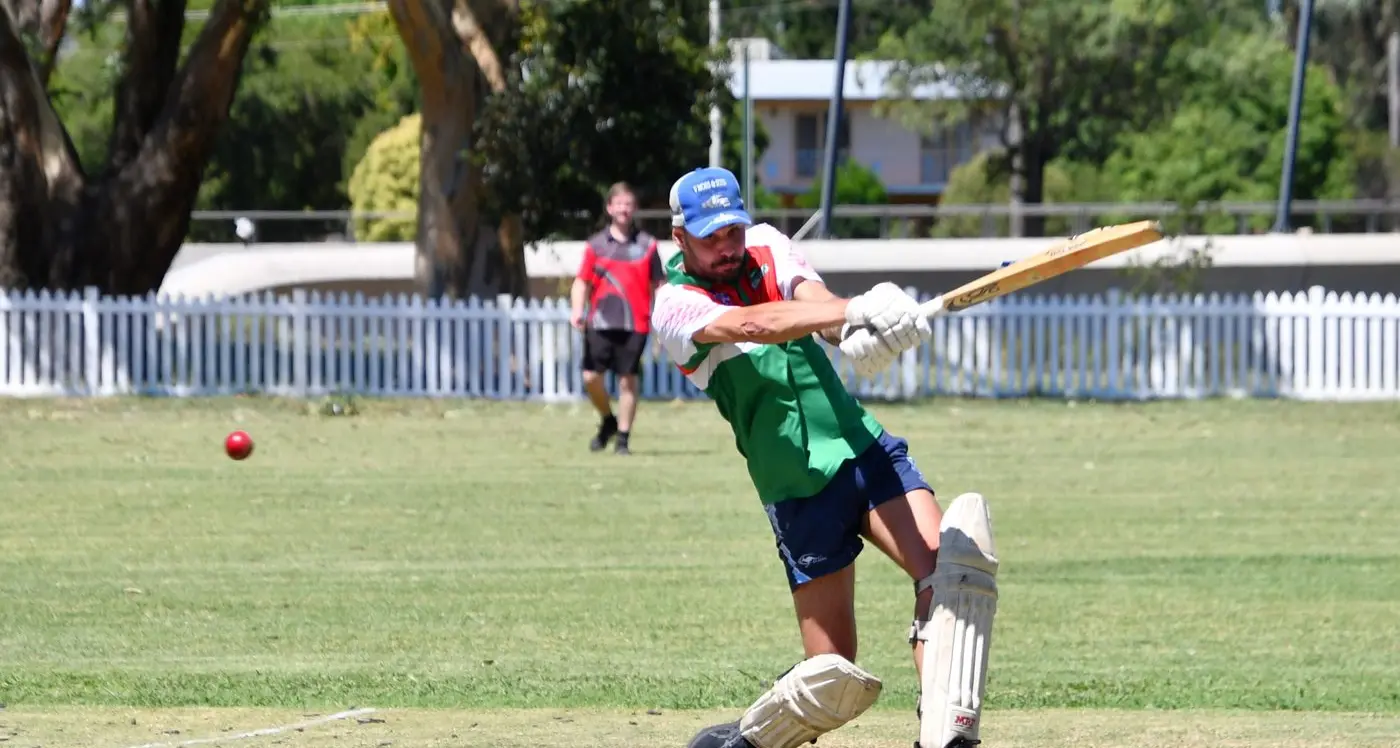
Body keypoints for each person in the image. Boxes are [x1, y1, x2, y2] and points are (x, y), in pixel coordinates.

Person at [652, 167, 1000, 748]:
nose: (727, 246)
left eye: (732, 230)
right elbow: (754, 323)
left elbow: (813, 304)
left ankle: (946, 736)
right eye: (711, 237)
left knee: (952, 574)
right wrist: (853, 311)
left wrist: (865, 328)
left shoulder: (766, 243)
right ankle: (744, 741)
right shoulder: (675, 306)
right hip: (795, 486)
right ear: (680, 236)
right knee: (831, 678)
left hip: (861, 447)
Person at [570, 181, 664, 455]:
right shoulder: (596, 246)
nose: (624, 208)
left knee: (627, 381)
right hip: (599, 321)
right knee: (590, 377)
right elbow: (581, 282)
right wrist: (577, 310)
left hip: (635, 322)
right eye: (619, 203)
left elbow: (659, 285)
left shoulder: (648, 246)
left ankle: (623, 438)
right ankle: (608, 419)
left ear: (634, 208)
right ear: (610, 207)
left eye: (629, 203)